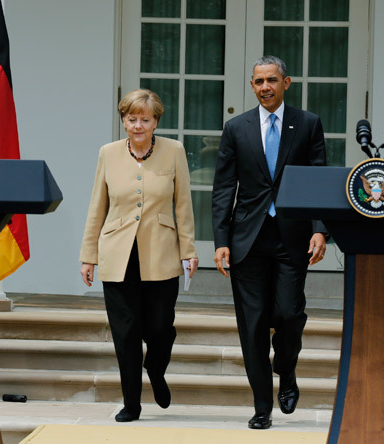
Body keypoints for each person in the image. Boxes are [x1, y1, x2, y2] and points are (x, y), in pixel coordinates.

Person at [211, 56, 327, 429]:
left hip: (292, 238)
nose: (265, 87)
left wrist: (320, 229)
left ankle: (287, 371)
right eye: (258, 81)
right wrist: (221, 239)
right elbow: (224, 187)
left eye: (272, 80)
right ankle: (262, 405)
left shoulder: (308, 124)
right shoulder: (236, 127)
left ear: (286, 82)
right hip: (247, 240)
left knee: (289, 314)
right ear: (252, 85)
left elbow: (319, 181)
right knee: (253, 324)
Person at [80, 89, 198, 422]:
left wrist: (189, 250)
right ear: (123, 120)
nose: (137, 126)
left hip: (161, 253)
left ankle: (156, 369)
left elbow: (183, 205)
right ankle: (131, 402)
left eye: (145, 119)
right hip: (117, 254)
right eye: (131, 119)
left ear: (156, 121)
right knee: (126, 331)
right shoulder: (109, 153)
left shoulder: (174, 151)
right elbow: (96, 207)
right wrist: (88, 255)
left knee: (161, 328)